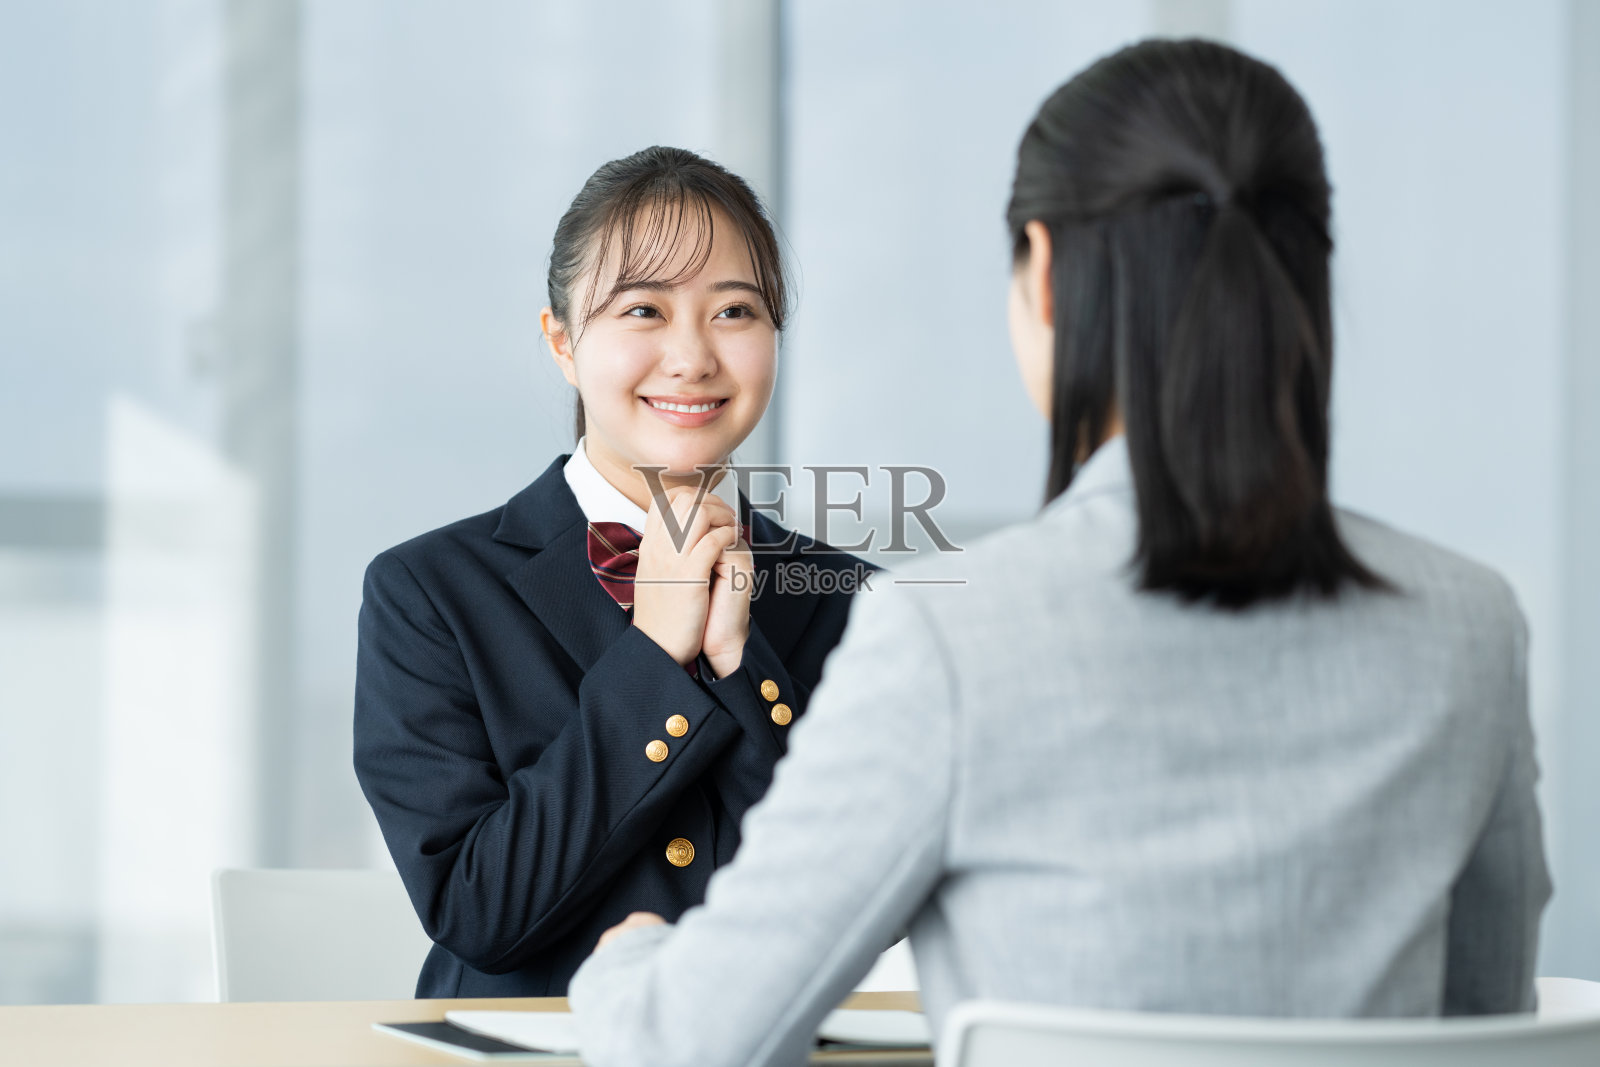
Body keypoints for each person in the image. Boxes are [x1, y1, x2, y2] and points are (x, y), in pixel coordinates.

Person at [567, 39, 1552, 1066]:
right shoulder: (1472, 623)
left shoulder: (946, 632)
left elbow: (691, 1044)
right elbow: (1485, 1020)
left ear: (1044, 274)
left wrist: (631, 960)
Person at [354, 146, 872, 998]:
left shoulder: (848, 600)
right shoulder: (428, 594)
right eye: (643, 310)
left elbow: (866, 906)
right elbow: (480, 910)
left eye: (735, 311)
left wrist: (745, 667)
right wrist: (655, 656)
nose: (692, 356)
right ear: (561, 339)